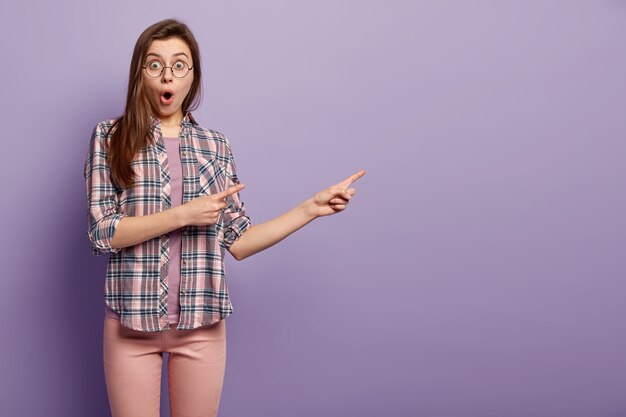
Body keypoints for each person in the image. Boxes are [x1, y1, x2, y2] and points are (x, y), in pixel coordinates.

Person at [84, 18, 365, 417]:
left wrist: (310, 209)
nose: (168, 75)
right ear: (139, 73)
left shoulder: (215, 146)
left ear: (193, 75)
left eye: (180, 65)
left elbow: (240, 241)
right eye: (155, 65)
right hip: (130, 329)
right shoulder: (110, 136)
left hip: (202, 330)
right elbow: (102, 232)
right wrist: (183, 214)